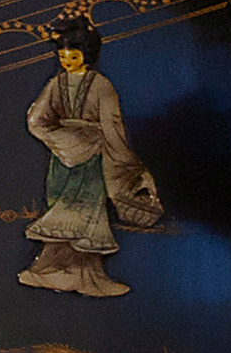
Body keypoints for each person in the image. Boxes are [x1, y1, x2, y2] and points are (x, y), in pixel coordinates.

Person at [22, 15, 162, 295]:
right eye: (62, 56)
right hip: (63, 159)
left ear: (86, 56)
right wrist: (64, 139)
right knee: (61, 211)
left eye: (72, 56)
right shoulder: (56, 84)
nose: (66, 61)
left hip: (92, 162)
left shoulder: (101, 85)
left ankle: (85, 274)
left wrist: (124, 161)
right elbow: (36, 119)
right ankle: (49, 269)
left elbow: (112, 127)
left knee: (87, 214)